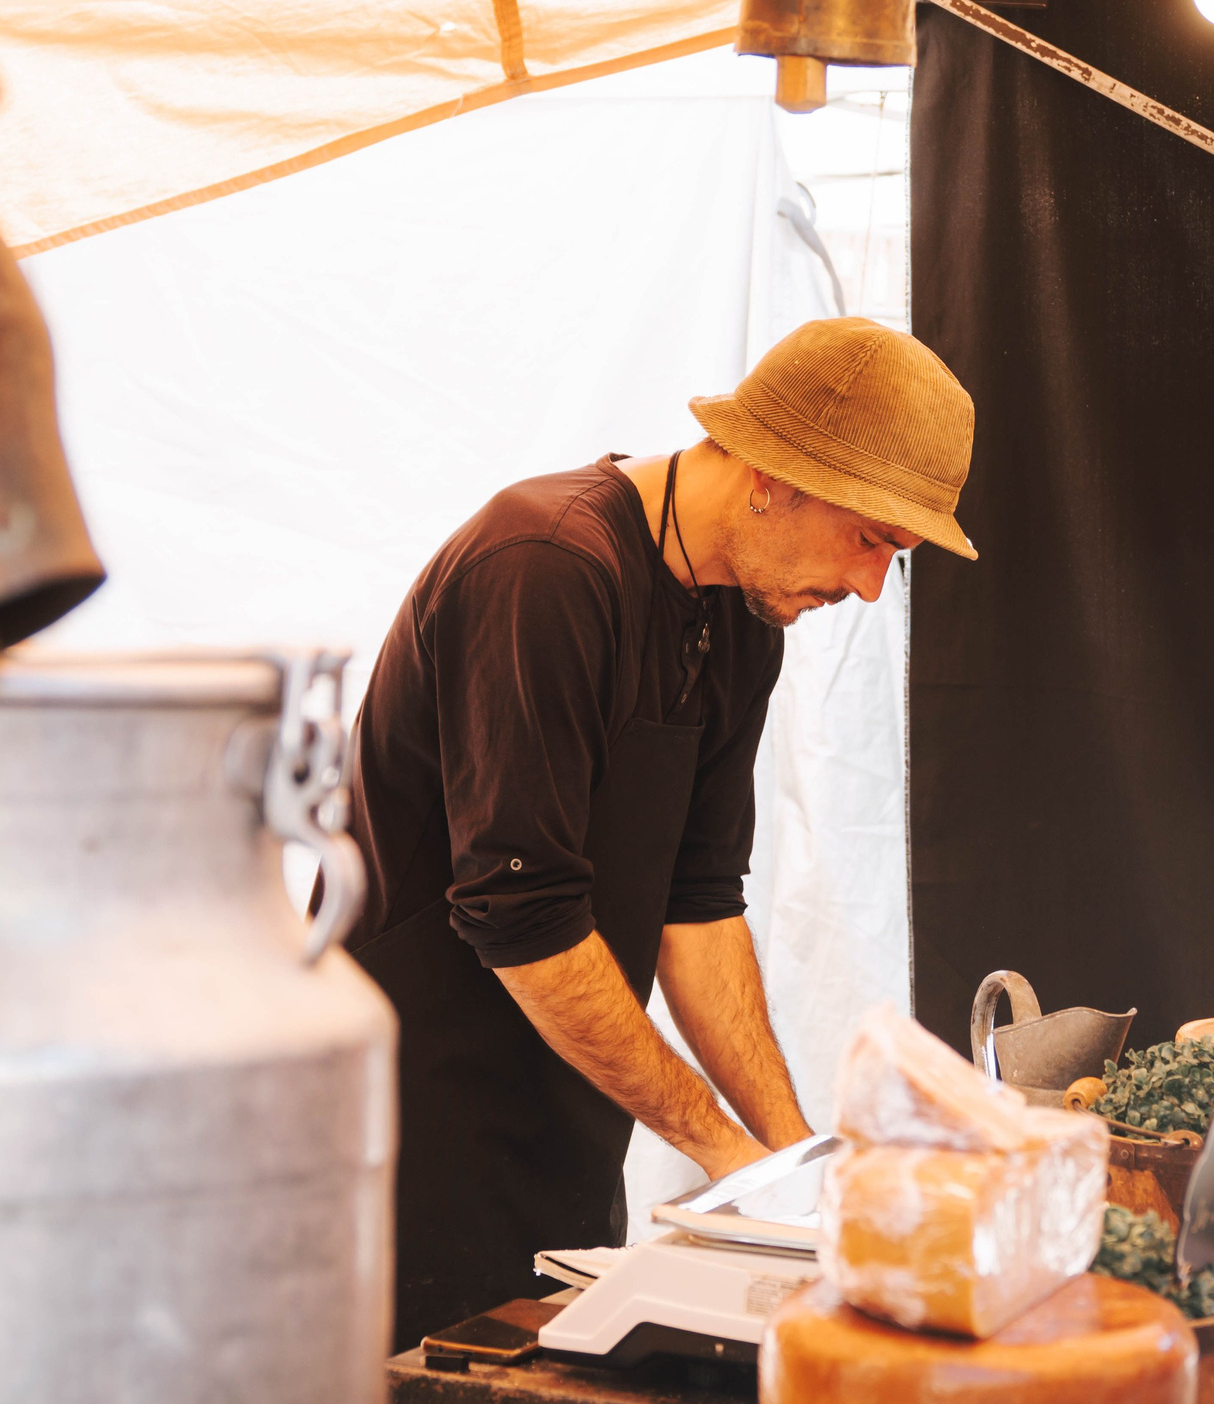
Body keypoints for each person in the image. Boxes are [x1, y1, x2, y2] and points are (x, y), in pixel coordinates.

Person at [338, 317, 978, 1345]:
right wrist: (718, 1152)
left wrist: (794, 1165)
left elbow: (698, 900)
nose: (866, 588)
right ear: (771, 474)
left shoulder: (740, 618)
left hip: (566, 1117)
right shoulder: (541, 566)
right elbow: (519, 909)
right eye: (871, 538)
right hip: (404, 1123)